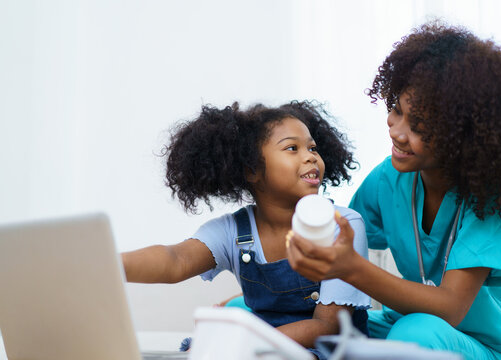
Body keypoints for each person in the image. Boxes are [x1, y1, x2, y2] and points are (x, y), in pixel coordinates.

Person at [286, 22, 501, 360]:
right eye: (396, 110)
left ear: (463, 138)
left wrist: (351, 268)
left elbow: (450, 308)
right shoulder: (388, 179)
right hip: (403, 325)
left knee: (414, 334)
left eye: (418, 127)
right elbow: (342, 237)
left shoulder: (492, 200)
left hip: (484, 348)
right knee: (302, 324)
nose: (398, 132)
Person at [121, 101, 371, 359]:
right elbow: (176, 260)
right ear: (252, 170)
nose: (310, 156)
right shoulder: (234, 231)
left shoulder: (344, 225)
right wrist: (111, 264)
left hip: (330, 350)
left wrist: (243, 344)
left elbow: (327, 326)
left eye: (312, 148)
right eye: (292, 148)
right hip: (263, 349)